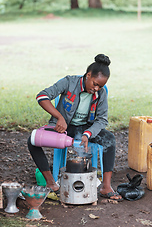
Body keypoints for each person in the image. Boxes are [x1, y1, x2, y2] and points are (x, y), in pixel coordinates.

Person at [28, 54, 123, 201]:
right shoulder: (69, 82)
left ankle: (106, 187)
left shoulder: (101, 93)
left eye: (100, 86)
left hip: (85, 129)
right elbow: (42, 96)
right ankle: (51, 183)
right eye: (95, 84)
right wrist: (59, 117)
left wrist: (88, 133)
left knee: (109, 139)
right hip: (62, 128)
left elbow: (102, 120)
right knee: (32, 141)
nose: (96, 88)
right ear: (88, 75)